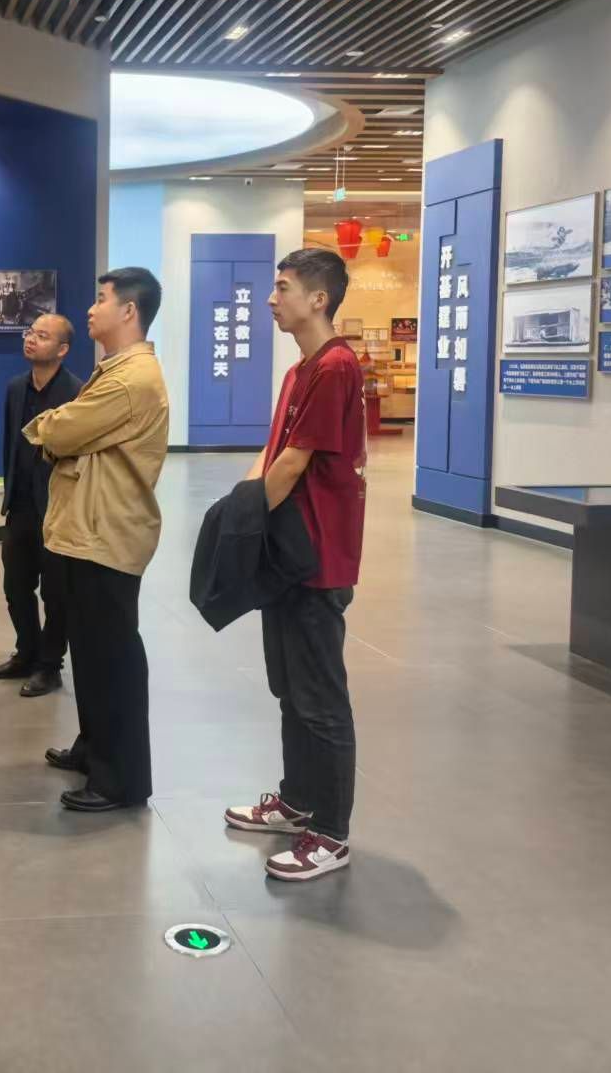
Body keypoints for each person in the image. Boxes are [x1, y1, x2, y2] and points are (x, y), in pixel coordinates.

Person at [224, 248, 367, 882]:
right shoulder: (299, 370)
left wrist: (239, 523)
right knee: (289, 689)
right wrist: (240, 508)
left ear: (318, 298)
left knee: (320, 700)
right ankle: (296, 801)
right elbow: (272, 450)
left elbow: (294, 463)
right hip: (286, 555)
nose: (270, 299)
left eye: (282, 288)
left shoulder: (335, 366)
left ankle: (330, 834)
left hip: (319, 558)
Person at [25, 268, 169, 812]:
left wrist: (54, 433)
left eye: (101, 298)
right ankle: (94, 749)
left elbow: (58, 430)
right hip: (87, 531)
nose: (91, 308)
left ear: (129, 311)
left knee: (110, 660)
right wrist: (62, 433)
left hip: (107, 534)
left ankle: (120, 779)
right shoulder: (115, 370)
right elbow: (69, 429)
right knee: (89, 654)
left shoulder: (131, 379)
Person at [0, 313, 82, 697]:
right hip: (21, 505)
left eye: (42, 335)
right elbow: (12, 443)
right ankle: (26, 652)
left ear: (62, 349)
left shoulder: (77, 393)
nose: (31, 339)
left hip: (58, 509)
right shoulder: (15, 388)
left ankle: (49, 665)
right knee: (15, 585)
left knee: (56, 594)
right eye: (30, 332)